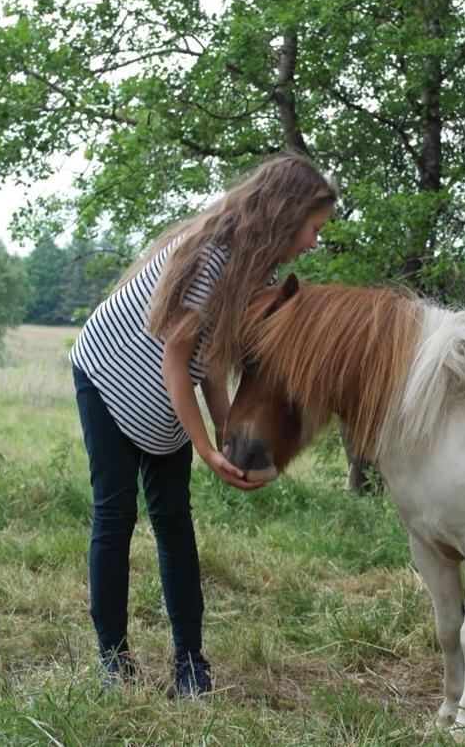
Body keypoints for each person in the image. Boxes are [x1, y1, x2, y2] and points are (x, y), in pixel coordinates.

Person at [69, 153, 337, 696]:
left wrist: (223, 433)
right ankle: (113, 662)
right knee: (115, 515)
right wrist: (202, 444)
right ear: (286, 215)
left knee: (173, 522)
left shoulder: (255, 271)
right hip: (108, 374)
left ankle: (190, 663)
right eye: (313, 228)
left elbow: (212, 360)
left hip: (165, 395)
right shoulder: (212, 258)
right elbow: (176, 354)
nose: (313, 242)